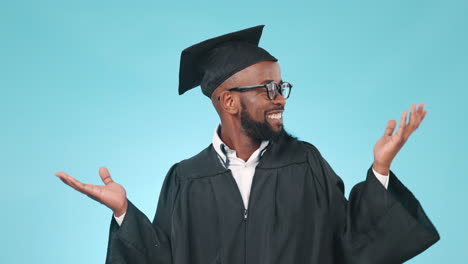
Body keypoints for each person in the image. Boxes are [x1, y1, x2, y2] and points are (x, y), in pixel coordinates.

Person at [56, 25, 439, 264]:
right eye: (270, 88)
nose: (282, 98)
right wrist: (125, 214)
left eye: (282, 86)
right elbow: (163, 257)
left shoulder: (305, 164)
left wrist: (380, 172)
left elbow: (352, 243)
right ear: (229, 101)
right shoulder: (185, 179)